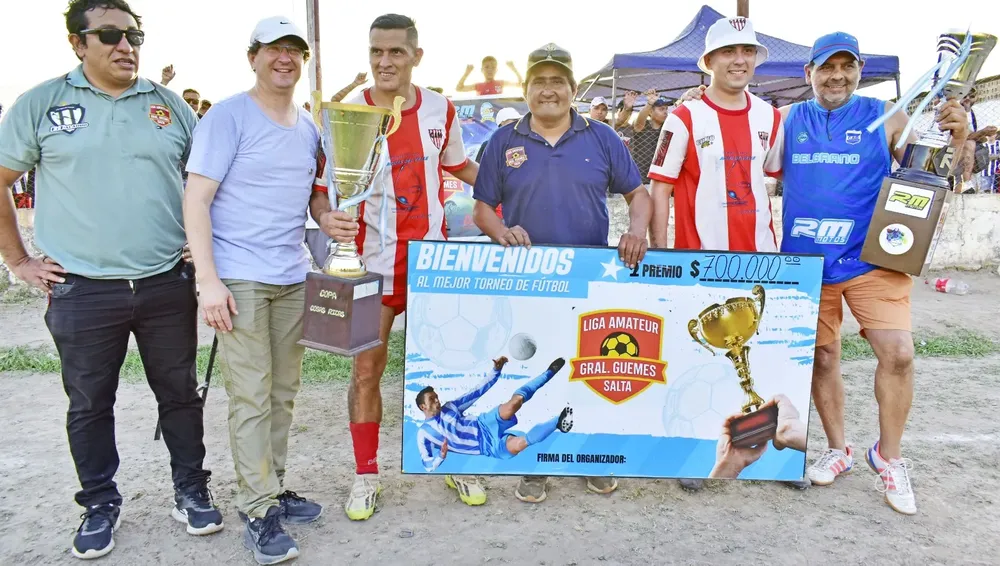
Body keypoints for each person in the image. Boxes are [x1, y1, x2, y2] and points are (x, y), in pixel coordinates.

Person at [0, 0, 222, 559]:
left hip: (166, 282)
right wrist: (19, 260)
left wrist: (204, 253)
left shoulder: (169, 106)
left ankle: (191, 489)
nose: (127, 46)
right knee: (89, 402)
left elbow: (205, 186)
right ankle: (100, 502)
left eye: (134, 34)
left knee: (179, 394)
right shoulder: (42, 104)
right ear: (78, 44)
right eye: (111, 35)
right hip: (82, 289)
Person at [776, 32, 972, 516]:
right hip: (806, 263)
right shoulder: (787, 119)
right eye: (826, 67)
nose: (836, 76)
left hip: (872, 259)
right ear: (809, 73)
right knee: (822, 360)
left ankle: (888, 457)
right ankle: (838, 449)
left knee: (899, 354)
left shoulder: (888, 115)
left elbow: (936, 175)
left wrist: (959, 135)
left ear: (860, 69)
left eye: (847, 66)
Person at [311, 13, 480, 519]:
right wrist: (326, 221)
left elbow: (460, 168)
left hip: (432, 264)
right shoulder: (347, 113)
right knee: (367, 372)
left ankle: (454, 457)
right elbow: (322, 194)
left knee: (444, 372)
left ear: (416, 56)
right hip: (368, 268)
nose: (385, 62)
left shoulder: (440, 109)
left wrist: (514, 189)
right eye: (376, 52)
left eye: (396, 52)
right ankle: (366, 475)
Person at [472, 42, 651, 503]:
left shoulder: (602, 137)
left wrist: (636, 231)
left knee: (588, 368)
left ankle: (588, 456)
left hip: (589, 278)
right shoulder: (504, 140)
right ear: (527, 89)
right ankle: (536, 463)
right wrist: (502, 231)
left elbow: (639, 195)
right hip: (528, 280)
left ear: (573, 89)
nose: (548, 90)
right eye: (539, 82)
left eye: (557, 82)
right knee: (534, 371)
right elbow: (481, 211)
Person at [183, 16, 326, 564]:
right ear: (253, 57)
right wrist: (208, 280)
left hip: (292, 274)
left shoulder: (309, 125)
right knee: (250, 394)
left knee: (282, 393)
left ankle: (274, 484)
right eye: (274, 49)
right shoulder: (226, 117)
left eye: (294, 50)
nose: (285, 58)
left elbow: (309, 198)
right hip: (238, 276)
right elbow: (196, 200)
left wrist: (327, 216)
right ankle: (258, 507)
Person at [646, 16, 793, 492]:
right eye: (729, 52)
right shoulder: (685, 116)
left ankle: (776, 462)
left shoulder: (770, 117)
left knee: (765, 360)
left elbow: (773, 177)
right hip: (701, 261)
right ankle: (693, 458)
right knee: (699, 364)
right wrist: (661, 256)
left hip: (759, 262)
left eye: (748, 51)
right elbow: (660, 187)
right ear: (708, 62)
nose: (739, 60)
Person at [416, 356, 573, 471]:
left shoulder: (450, 407)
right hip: (487, 447)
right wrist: (441, 456)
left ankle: (548, 373)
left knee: (514, 403)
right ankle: (558, 422)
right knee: (521, 443)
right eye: (432, 399)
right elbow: (427, 465)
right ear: (423, 406)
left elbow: (477, 391)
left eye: (436, 397)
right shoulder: (423, 433)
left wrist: (496, 370)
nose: (437, 400)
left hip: (485, 423)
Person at [457, 56, 524, 95]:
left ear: (496, 70)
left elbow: (520, 84)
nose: (490, 70)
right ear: (482, 70)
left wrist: (513, 68)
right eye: (487, 67)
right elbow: (459, 88)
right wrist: (467, 73)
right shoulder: (478, 86)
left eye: (493, 67)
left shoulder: (501, 83)